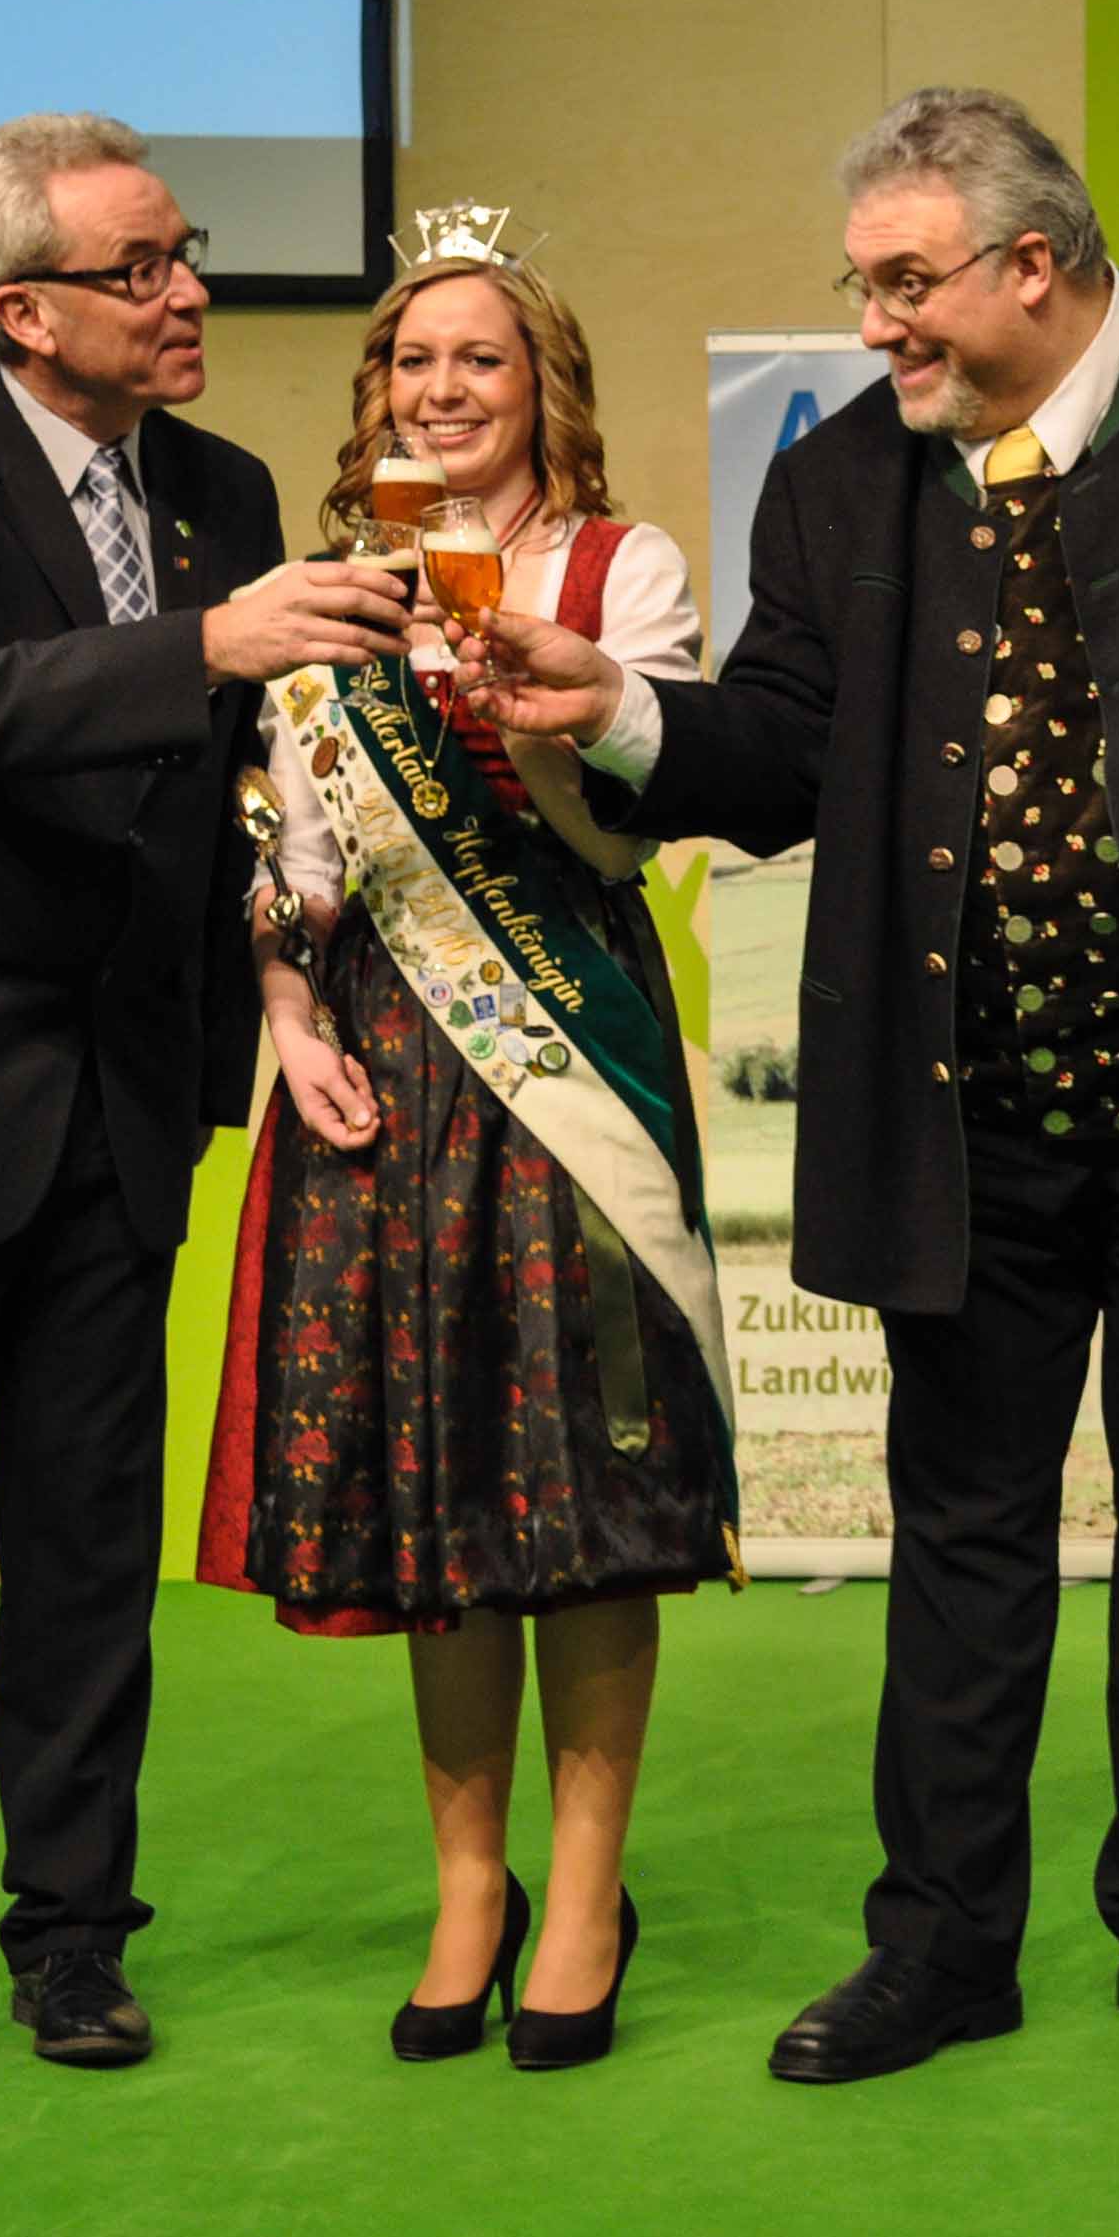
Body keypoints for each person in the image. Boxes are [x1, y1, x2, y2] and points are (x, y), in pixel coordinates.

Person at [465, 88, 1119, 2085]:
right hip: (962, 1118)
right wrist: (617, 707)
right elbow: (780, 747)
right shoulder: (838, 482)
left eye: (906, 284)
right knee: (964, 1537)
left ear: (1033, 265)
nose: (876, 324)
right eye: (864, 285)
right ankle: (946, 1941)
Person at [0, 113, 411, 2092]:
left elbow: (236, 790)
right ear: (23, 310)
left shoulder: (224, 486)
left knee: (87, 1554)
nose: (189, 289)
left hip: (122, 1102)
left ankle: (72, 1936)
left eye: (186, 249)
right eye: (141, 267)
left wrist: (277, 992)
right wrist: (208, 641)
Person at [193, 218, 737, 2072]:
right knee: (436, 1481)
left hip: (568, 1054)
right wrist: (287, 1012)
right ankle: (468, 1888)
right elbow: (294, 853)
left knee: (585, 1487)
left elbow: (622, 827)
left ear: (543, 386)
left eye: (479, 358)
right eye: (413, 361)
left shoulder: (618, 566)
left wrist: (526, 692)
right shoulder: (324, 592)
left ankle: (584, 1893)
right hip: (384, 1065)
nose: (443, 389)